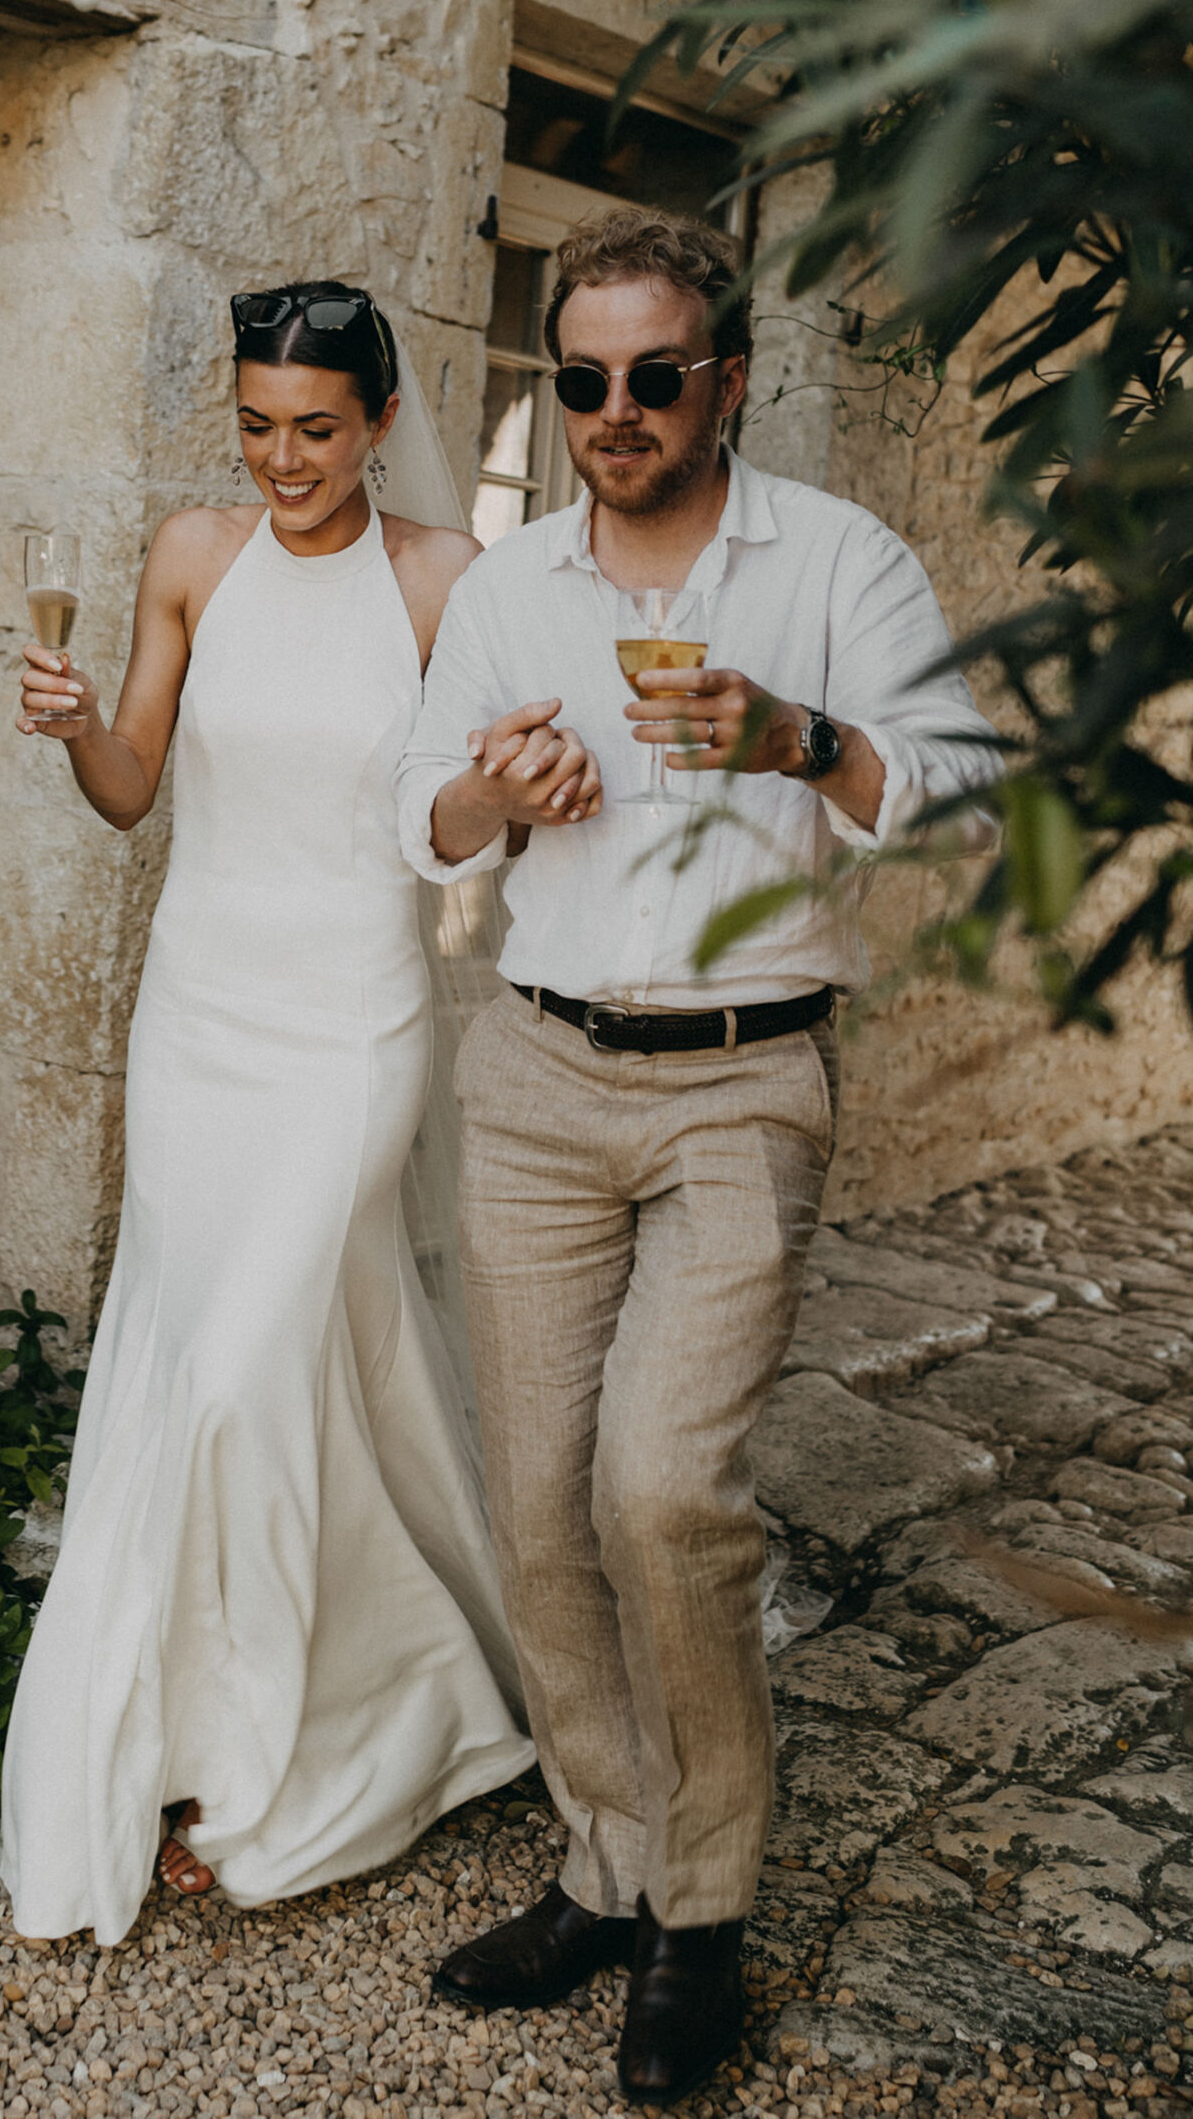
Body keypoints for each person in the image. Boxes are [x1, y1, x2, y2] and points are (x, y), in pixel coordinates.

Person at [396, 205, 1000, 2106]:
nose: (618, 409)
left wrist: (800, 737)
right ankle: (605, 1861)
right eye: (582, 378)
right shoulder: (513, 581)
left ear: (727, 378)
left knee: (667, 1492)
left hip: (746, 1086)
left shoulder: (834, 557)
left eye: (658, 375)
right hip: (540, 1075)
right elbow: (427, 827)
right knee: (543, 1502)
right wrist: (501, 791)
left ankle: (705, 1912)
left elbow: (964, 798)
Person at [0, 281, 533, 1945]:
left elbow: (469, 817)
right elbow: (132, 796)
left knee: (240, 1381)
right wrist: (81, 724)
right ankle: (329, 1687)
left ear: (380, 420)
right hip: (200, 1021)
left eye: (314, 427)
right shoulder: (187, 556)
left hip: (354, 1027)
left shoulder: (447, 580)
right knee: (230, 1360)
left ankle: (277, 1764)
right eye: (254, 425)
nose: (281, 457)